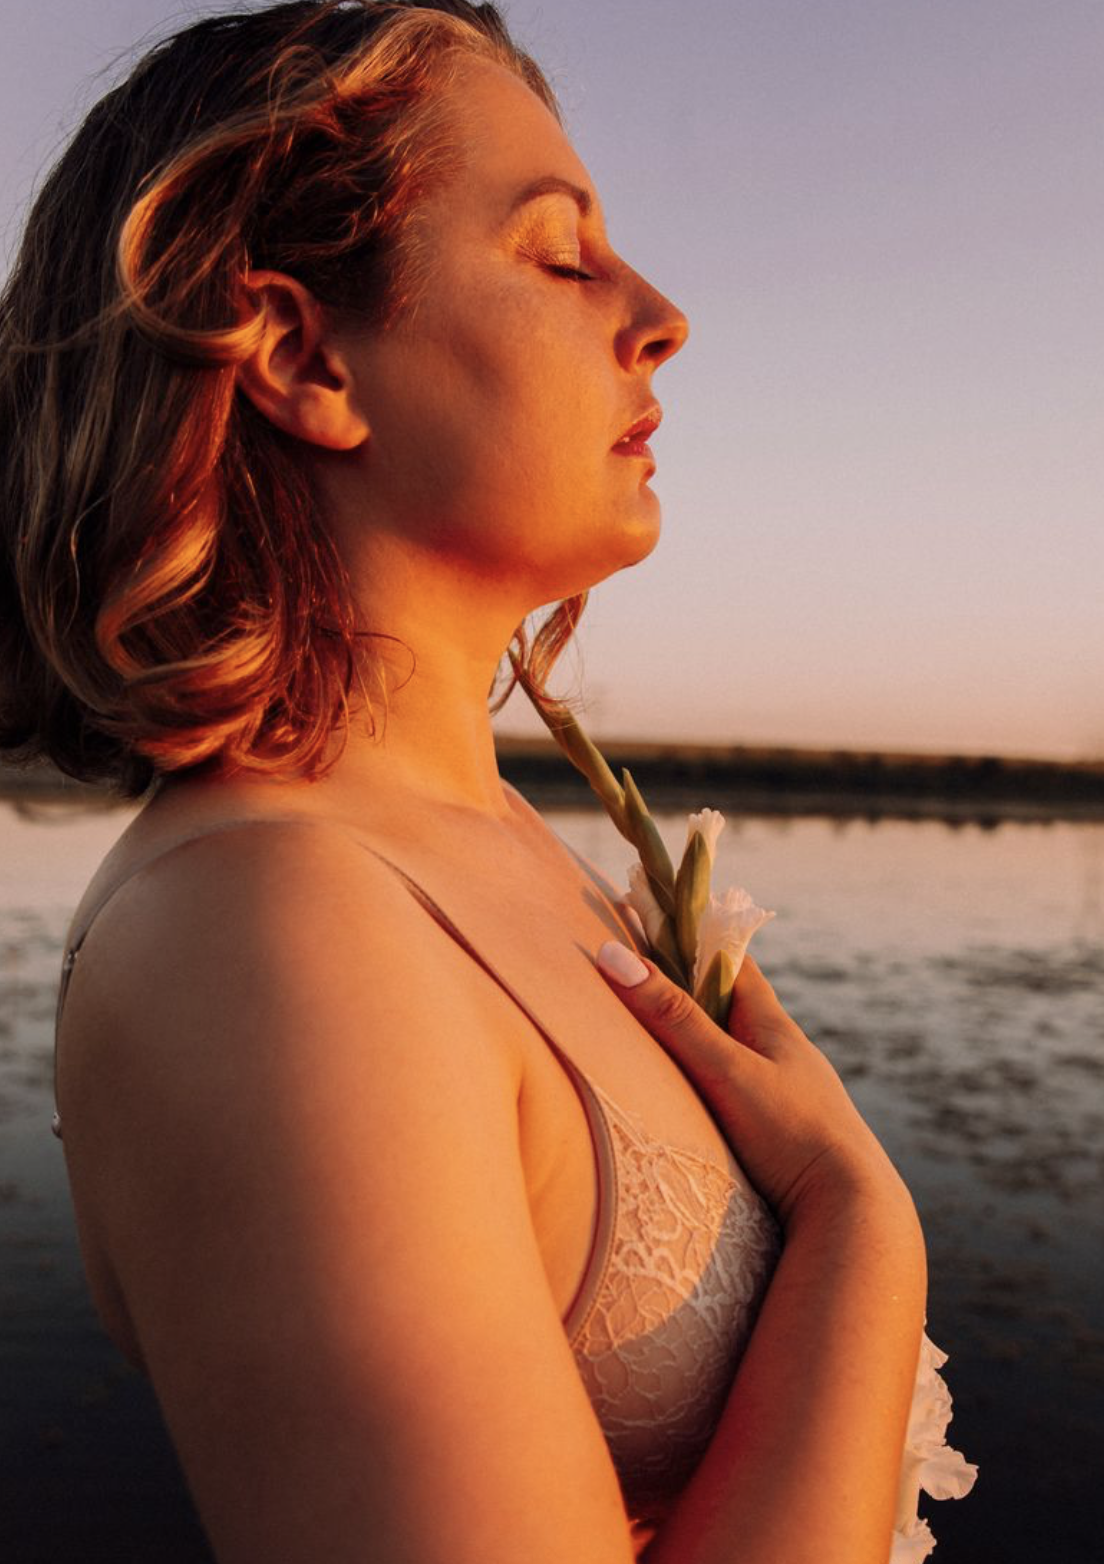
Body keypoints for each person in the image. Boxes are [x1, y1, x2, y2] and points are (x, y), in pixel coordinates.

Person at [0, 3, 931, 1560]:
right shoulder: (263, 935)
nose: (661, 316)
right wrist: (859, 1225)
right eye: (562, 256)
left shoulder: (487, 837)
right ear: (301, 353)